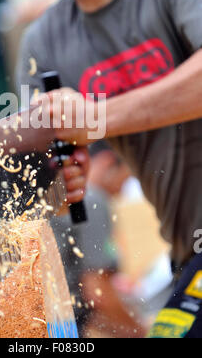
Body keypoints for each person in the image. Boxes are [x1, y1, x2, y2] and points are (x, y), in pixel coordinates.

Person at [0, 0, 202, 338]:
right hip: (188, 250)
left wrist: (96, 119)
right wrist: (59, 181)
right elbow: (41, 189)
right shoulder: (42, 44)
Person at [51, 140, 146, 338]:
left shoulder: (62, 197)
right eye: (125, 178)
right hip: (63, 324)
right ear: (107, 162)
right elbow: (97, 292)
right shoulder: (92, 200)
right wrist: (142, 333)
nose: (122, 190)